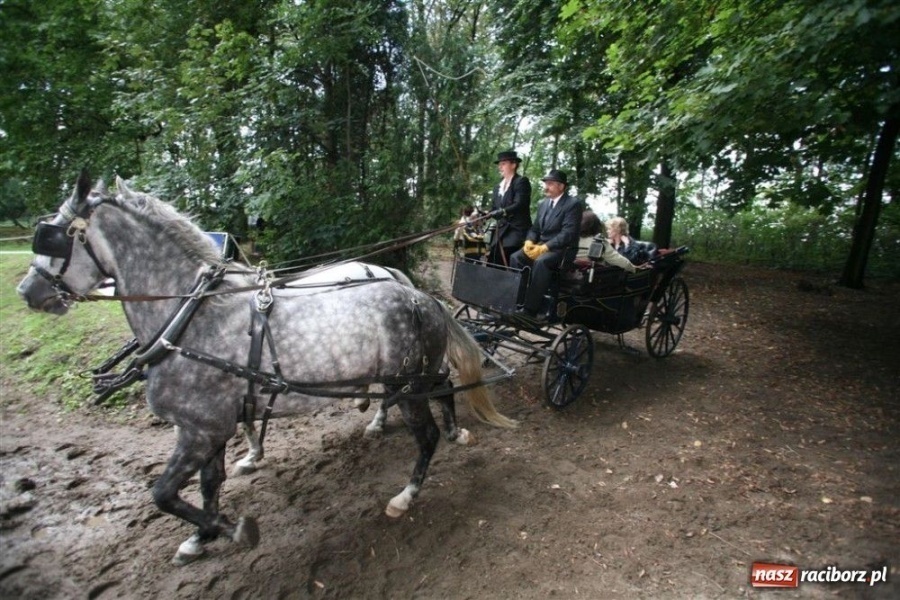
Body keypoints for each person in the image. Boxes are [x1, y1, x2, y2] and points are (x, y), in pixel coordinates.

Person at [510, 169, 583, 320]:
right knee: (516, 257)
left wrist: (545, 247)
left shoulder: (573, 204)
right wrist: (529, 241)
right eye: (545, 183)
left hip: (562, 250)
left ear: (561, 186)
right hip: (541, 245)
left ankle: (530, 310)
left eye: (550, 184)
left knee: (541, 262)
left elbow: (567, 234)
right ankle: (517, 301)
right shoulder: (543, 204)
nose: (546, 187)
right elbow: (535, 228)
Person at [486, 150, 532, 266]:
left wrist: (503, 211)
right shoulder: (498, 187)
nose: (500, 167)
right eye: (499, 164)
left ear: (513, 165)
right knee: (492, 258)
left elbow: (520, 204)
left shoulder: (521, 182)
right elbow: (494, 208)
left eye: (503, 164)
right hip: (501, 231)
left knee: (506, 255)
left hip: (516, 230)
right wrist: (484, 214)